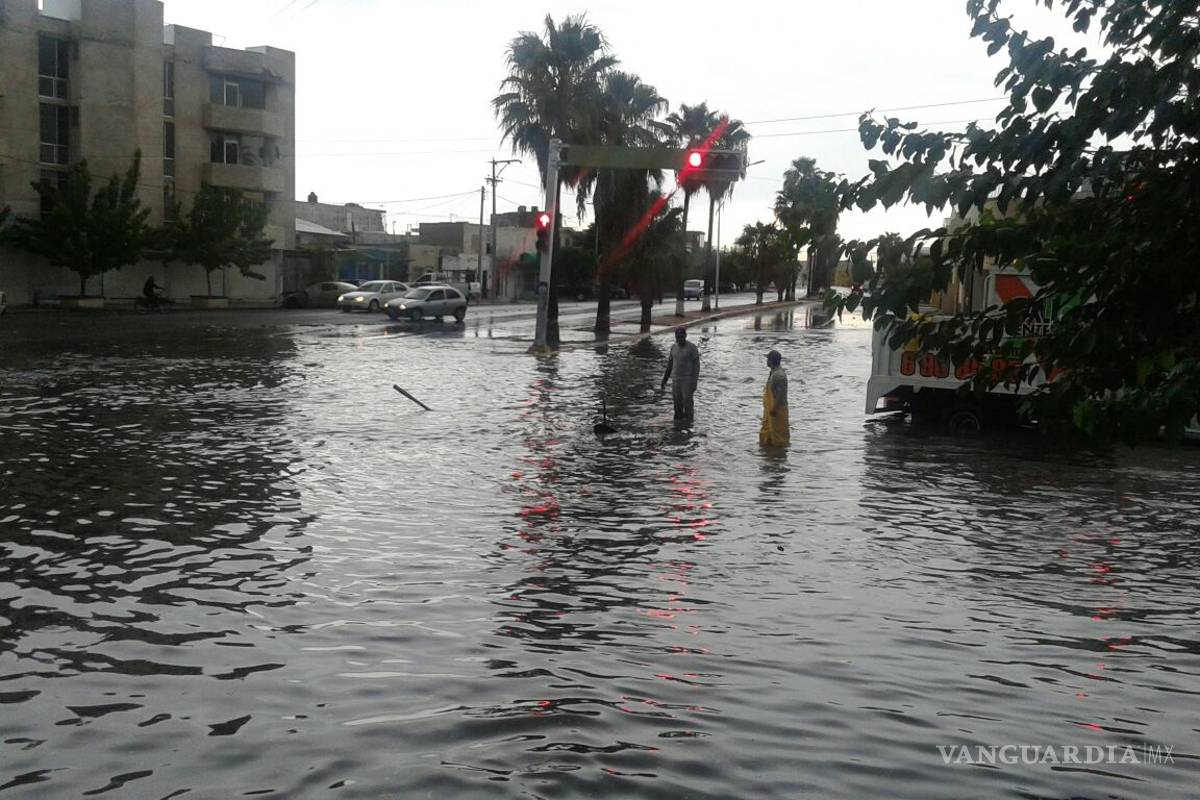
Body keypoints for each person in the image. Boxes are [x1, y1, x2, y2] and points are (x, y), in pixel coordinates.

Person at [661, 327, 700, 421]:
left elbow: (696, 366)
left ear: (685, 336)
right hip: (675, 381)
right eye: (678, 337)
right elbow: (669, 365)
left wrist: (694, 382)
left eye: (682, 337)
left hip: (687, 381)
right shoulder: (673, 347)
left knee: (687, 404)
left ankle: (689, 425)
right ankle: (678, 427)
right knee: (677, 406)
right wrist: (664, 380)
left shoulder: (692, 348)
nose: (680, 339)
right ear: (675, 337)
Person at [760, 349, 790, 447]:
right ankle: (769, 455)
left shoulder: (779, 376)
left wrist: (775, 409)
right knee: (768, 435)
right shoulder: (773, 373)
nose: (766, 361)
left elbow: (781, 396)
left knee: (779, 438)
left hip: (777, 411)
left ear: (771, 360)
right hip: (771, 410)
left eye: (768, 359)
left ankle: (779, 456)